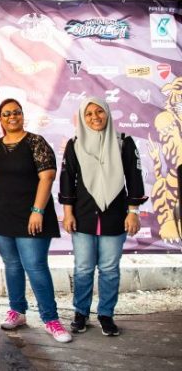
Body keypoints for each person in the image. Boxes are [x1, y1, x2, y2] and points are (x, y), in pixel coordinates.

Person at [0, 98, 72, 343]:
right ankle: (17, 311)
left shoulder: (36, 142)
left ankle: (51, 320)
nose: (12, 117)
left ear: (22, 115)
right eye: (6, 114)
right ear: (0, 119)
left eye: (16, 112)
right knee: (12, 265)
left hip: (32, 215)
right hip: (1, 215)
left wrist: (37, 210)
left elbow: (47, 177)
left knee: (35, 266)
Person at [59, 97, 147, 336]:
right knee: (83, 269)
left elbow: (134, 177)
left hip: (115, 216)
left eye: (99, 111)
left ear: (107, 113)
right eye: (88, 114)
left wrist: (133, 212)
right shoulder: (75, 144)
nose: (94, 117)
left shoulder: (123, 142)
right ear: (82, 118)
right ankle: (81, 313)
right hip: (83, 216)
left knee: (109, 269)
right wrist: (67, 213)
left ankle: (106, 314)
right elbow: (67, 179)